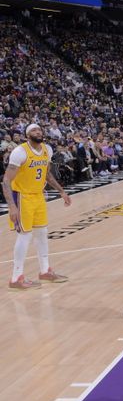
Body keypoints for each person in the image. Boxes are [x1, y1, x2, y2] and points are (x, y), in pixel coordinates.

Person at [2, 124, 71, 290]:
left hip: (38, 196)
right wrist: (12, 206)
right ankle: (16, 278)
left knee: (42, 233)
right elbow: (5, 181)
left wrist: (62, 191)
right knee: (25, 236)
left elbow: (46, 174)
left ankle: (45, 271)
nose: (38, 132)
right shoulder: (20, 152)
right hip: (22, 197)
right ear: (27, 135)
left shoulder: (47, 149)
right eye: (34, 130)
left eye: (39, 130)